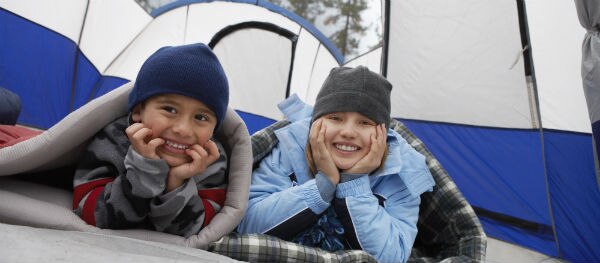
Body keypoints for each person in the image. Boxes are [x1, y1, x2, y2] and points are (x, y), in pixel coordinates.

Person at [237, 66, 435, 262]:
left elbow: (392, 257)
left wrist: (354, 184)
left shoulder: (401, 175)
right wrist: (325, 182)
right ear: (315, 123)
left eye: (364, 122)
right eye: (335, 118)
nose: (348, 132)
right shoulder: (290, 150)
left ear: (383, 134)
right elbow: (247, 224)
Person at [73, 43, 230, 238]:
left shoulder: (212, 159)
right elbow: (90, 212)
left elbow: (200, 230)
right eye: (170, 110)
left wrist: (176, 184)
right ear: (138, 111)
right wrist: (144, 173)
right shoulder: (114, 139)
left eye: (201, 118)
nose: (182, 129)